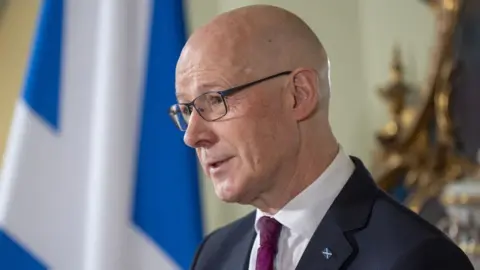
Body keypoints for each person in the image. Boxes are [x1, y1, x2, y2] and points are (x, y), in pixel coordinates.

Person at [170, 4, 474, 270]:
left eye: (213, 100)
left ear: (298, 95)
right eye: (187, 110)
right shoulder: (214, 254)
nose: (193, 136)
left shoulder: (416, 258)